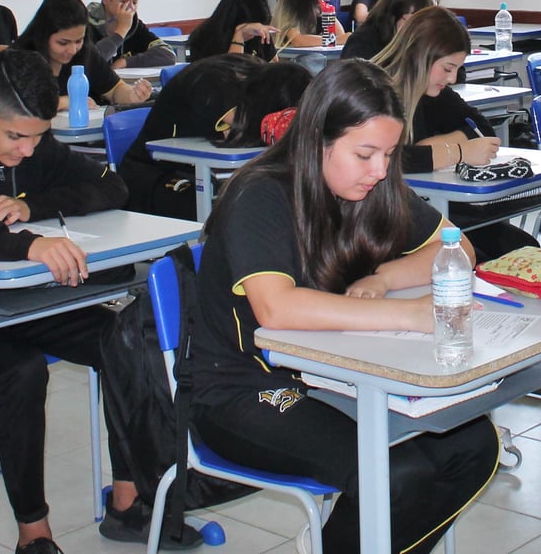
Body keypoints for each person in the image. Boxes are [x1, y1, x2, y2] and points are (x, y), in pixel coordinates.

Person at [188, 59, 499, 553]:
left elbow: (457, 249)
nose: (380, 170)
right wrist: (408, 313)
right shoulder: (259, 195)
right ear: (317, 140)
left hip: (333, 373)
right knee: (396, 473)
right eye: (365, 153)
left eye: (390, 154)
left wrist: (384, 278)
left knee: (474, 446)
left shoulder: (372, 187)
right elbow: (277, 309)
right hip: (245, 388)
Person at [0, 49, 201, 554]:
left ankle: (128, 501)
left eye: (38, 136)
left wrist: (32, 206)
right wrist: (28, 242)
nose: (29, 151)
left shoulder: (35, 146)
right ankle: (34, 534)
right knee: (25, 372)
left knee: (124, 340)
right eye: (16, 137)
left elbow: (111, 185)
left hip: (28, 301)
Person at [372, 6, 541, 262]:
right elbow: (391, 159)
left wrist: (432, 147)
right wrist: (457, 152)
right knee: (480, 261)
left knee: (523, 248)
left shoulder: (432, 92)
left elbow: (480, 128)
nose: (451, 79)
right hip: (384, 217)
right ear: (422, 55)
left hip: (428, 208)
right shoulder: (373, 91)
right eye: (447, 68)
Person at [118, 57, 311, 220]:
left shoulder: (256, 79)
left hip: (199, 174)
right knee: (232, 214)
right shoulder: (214, 84)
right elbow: (235, 128)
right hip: (151, 177)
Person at [15, 0, 152, 110]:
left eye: (78, 41)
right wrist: (66, 102)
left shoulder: (85, 52)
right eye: (63, 43)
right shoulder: (21, 58)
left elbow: (115, 89)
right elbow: (17, 105)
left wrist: (132, 95)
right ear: (44, 36)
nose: (72, 50)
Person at [85, 0, 177, 69]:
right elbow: (90, 62)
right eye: (124, 0)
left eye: (134, 2)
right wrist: (121, 31)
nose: (131, 7)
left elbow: (168, 54)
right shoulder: (86, 24)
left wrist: (125, 62)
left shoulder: (135, 25)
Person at [340, 0, 432, 61]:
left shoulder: (417, 43)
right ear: (392, 14)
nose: (414, 29)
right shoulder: (362, 41)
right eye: (409, 22)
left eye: (420, 24)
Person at [187, 0, 279, 62]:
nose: (255, 34)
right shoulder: (205, 40)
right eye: (250, 29)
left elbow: (273, 66)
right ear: (234, 21)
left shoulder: (258, 33)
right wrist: (239, 36)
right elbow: (233, 75)